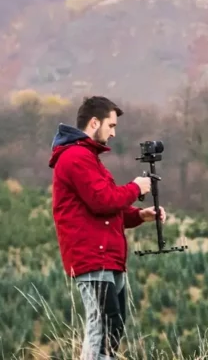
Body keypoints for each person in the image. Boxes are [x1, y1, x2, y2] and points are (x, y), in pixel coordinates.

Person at [49, 95, 166, 360]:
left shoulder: (88, 158)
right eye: (110, 126)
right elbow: (102, 201)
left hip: (107, 258)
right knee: (101, 327)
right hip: (93, 258)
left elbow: (108, 208)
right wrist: (136, 188)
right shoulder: (76, 157)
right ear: (94, 122)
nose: (113, 133)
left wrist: (141, 215)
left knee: (112, 328)